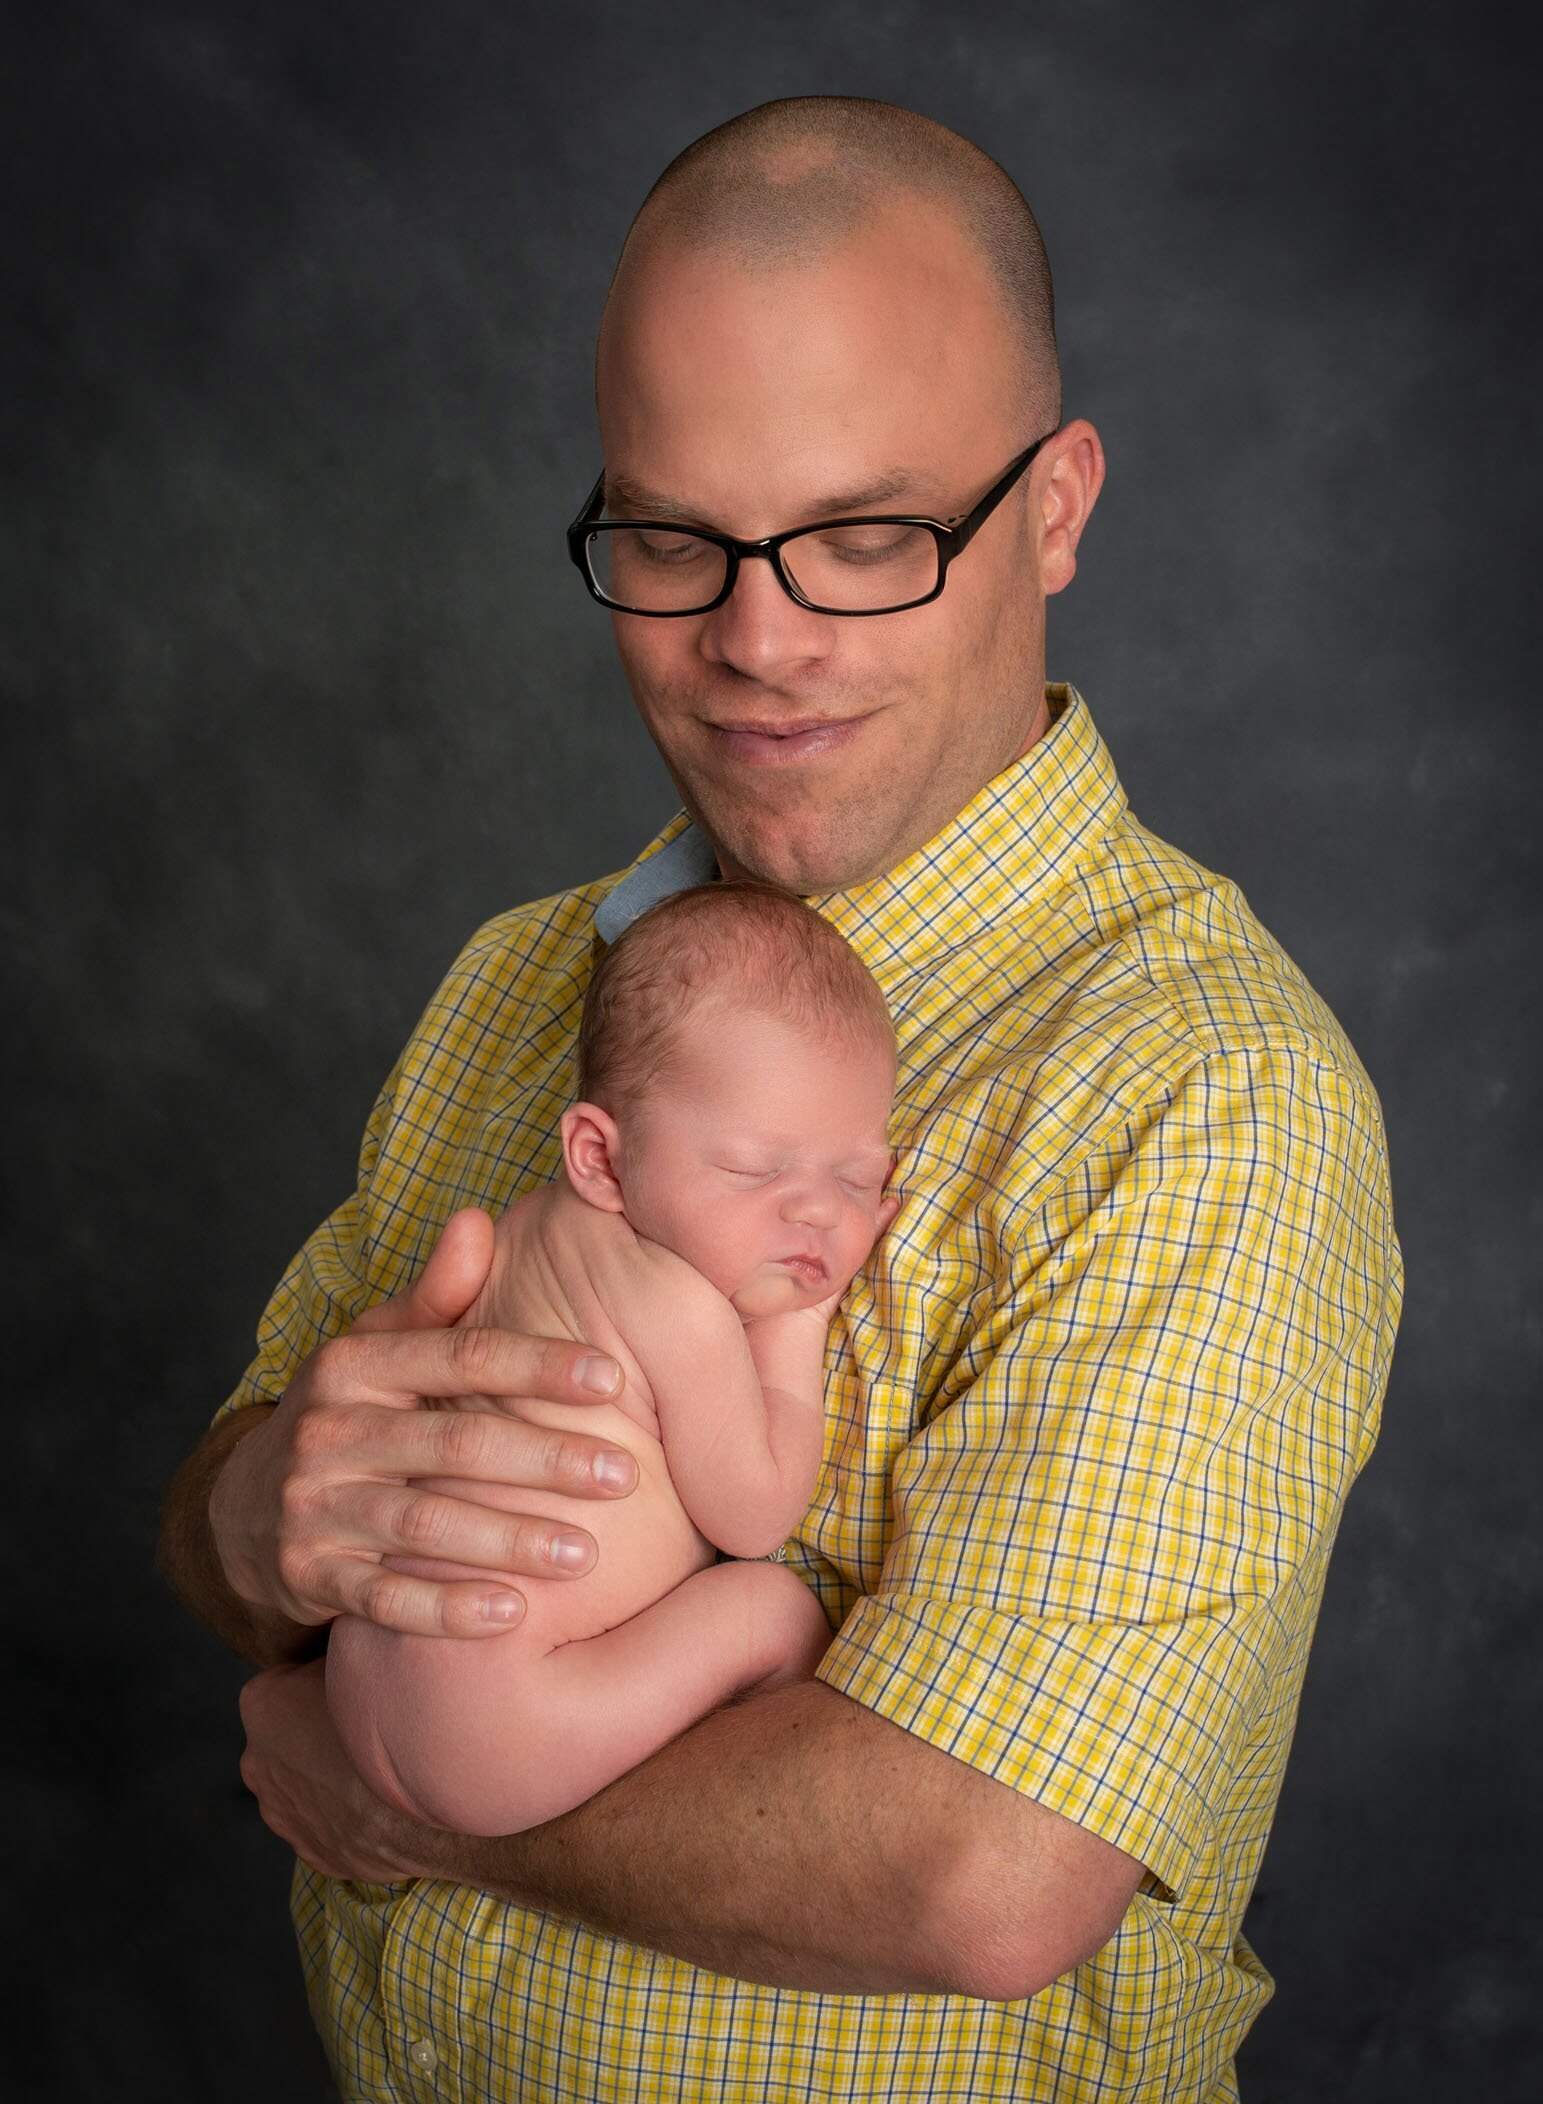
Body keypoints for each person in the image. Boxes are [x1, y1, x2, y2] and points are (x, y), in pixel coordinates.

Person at [156, 93, 1402, 2103]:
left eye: (863, 535)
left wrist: (411, 1787)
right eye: (669, 536)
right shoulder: (514, 980)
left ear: (1058, 504)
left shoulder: (1205, 1094)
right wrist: (267, 1505)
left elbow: (982, 1866)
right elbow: (220, 1519)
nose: (755, 639)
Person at [324, 879, 902, 1836]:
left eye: (854, 1177)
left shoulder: (519, 1233)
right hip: (511, 1726)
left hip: (361, 1676)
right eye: (755, 1170)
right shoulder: (679, 1309)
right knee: (768, 1602)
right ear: (600, 1158)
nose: (816, 1213)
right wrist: (797, 1324)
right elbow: (755, 1514)